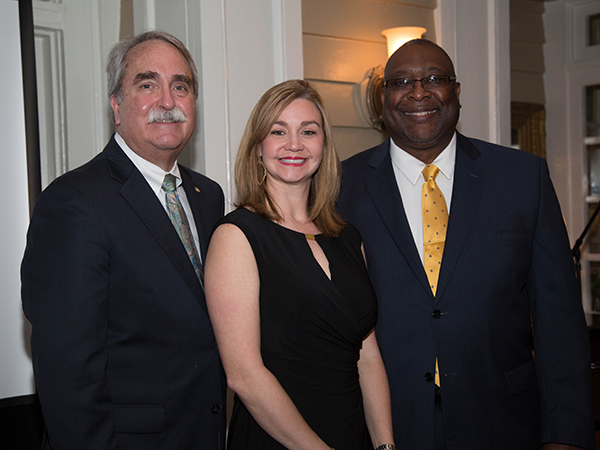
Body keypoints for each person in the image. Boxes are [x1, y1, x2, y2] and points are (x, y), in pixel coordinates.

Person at [338, 39, 596, 450]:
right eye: (401, 81)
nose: (418, 92)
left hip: (504, 423)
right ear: (383, 99)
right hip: (383, 427)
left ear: (457, 92)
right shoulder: (339, 188)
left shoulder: (522, 179)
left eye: (435, 79)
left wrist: (566, 437)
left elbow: (558, 321)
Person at [21, 31, 226, 450]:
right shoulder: (73, 202)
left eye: (181, 86)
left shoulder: (209, 196)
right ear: (116, 105)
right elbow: (68, 377)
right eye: (147, 84)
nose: (168, 101)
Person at [204, 79, 395, 450]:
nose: (295, 144)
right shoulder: (236, 237)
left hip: (351, 433)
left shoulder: (348, 238)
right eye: (278, 131)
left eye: (308, 131)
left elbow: (367, 356)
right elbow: (244, 375)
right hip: (278, 439)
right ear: (258, 147)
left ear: (323, 145)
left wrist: (385, 444)